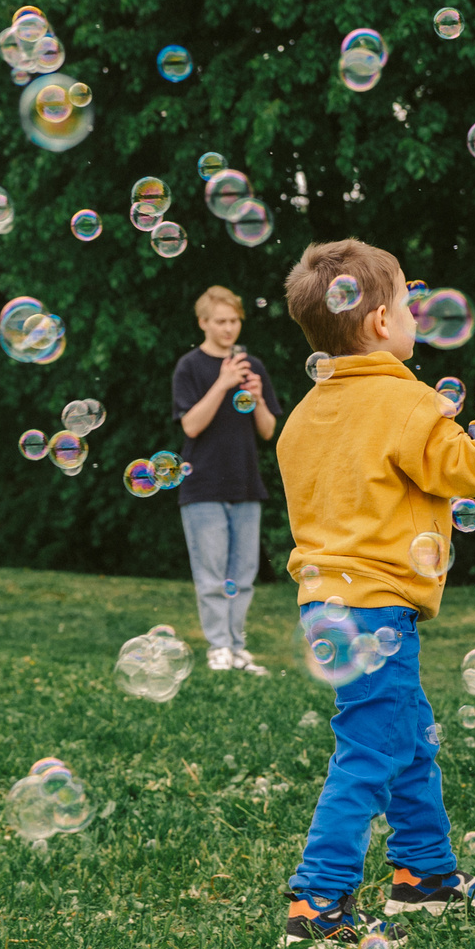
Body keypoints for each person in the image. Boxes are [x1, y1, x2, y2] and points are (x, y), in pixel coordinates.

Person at [273, 238, 475, 945]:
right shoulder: (404, 402)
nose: (416, 316)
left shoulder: (304, 414)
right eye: (408, 305)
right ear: (381, 321)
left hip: (325, 605)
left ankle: (423, 875)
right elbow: (472, 467)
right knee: (369, 750)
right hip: (377, 608)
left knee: (409, 738)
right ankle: (317, 902)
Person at [173, 284, 283, 675]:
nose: (229, 328)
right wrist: (222, 383)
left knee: (243, 576)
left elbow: (268, 431)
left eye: (234, 320)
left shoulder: (253, 366)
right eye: (220, 321)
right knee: (212, 575)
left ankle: (237, 647)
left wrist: (257, 399)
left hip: (246, 484)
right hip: (202, 486)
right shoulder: (190, 367)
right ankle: (218, 647)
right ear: (203, 322)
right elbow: (191, 425)